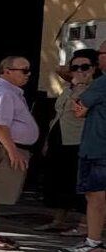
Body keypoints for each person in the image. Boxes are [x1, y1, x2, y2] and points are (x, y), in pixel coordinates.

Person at [0, 57, 39, 250]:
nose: (28, 74)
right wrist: (13, 152)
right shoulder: (0, 92)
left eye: (29, 70)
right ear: (6, 71)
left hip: (2, 147)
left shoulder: (10, 92)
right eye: (23, 70)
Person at [39, 49, 96, 233]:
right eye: (75, 67)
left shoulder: (95, 88)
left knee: (77, 182)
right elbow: (58, 113)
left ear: (94, 68)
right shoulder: (69, 87)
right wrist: (48, 140)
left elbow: (79, 109)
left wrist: (81, 82)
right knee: (58, 180)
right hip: (59, 137)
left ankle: (84, 224)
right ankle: (59, 220)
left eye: (85, 66)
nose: (79, 70)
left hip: (78, 139)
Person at [60, 45, 106, 252]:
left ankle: (94, 242)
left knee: (95, 196)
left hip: (98, 147)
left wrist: (79, 86)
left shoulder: (100, 84)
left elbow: (77, 110)